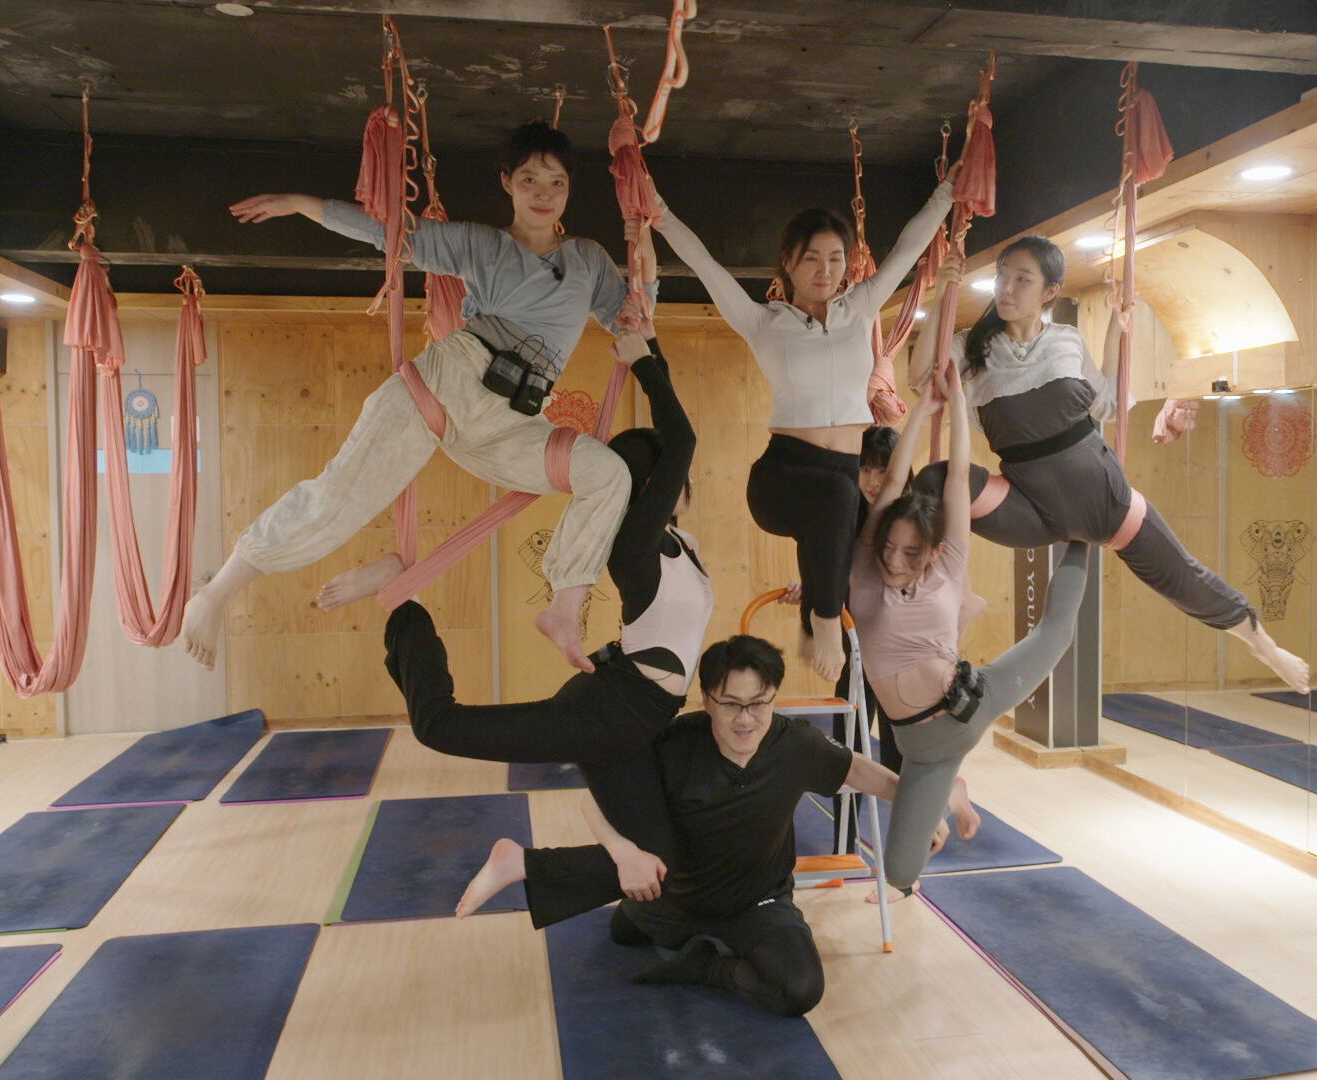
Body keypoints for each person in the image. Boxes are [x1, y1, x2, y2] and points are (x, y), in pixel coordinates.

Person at [179, 121, 642, 673]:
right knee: (336, 503)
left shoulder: (587, 259)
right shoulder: (482, 244)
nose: (543, 194)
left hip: (512, 421)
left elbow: (630, 317)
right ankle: (215, 593)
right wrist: (302, 203)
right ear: (508, 183)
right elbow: (391, 231)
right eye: (529, 179)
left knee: (609, 474)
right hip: (445, 386)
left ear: (569, 188)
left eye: (556, 182)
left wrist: (645, 258)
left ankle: (565, 608)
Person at [452, 634, 964, 1017]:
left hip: (756, 904)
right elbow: (598, 801)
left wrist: (921, 802)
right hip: (676, 897)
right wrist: (623, 853)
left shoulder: (794, 745)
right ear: (707, 700)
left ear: (773, 699)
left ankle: (699, 965)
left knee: (799, 991)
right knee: (621, 934)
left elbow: (854, 766)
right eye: (731, 704)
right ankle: (658, 927)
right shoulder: (673, 743)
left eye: (758, 704)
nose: (746, 719)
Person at [912, 238, 1310, 693]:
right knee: (934, 481)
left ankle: (1262, 643)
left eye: (1023, 278)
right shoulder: (972, 349)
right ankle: (959, 598)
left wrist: (1117, 331)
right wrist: (944, 295)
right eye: (1003, 275)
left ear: (1049, 292)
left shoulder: (1065, 341)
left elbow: (1107, 401)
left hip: (1105, 500)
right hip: (1028, 504)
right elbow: (919, 376)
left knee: (1180, 575)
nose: (1006, 287)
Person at [380, 321, 704, 867]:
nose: (685, 479)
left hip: (630, 714)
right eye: (672, 477)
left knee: (658, 857)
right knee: (439, 726)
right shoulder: (633, 546)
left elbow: (675, 447)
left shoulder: (681, 541)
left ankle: (542, 878)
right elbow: (682, 443)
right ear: (652, 489)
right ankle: (403, 610)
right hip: (612, 714)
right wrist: (645, 362)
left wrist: (652, 346)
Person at [654, 164, 960, 682]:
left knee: (863, 565)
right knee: (836, 506)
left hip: (844, 472)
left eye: (836, 258)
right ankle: (821, 622)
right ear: (788, 263)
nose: (825, 270)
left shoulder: (861, 306)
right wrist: (657, 214)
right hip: (783, 477)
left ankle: (866, 700)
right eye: (812, 259)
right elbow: (703, 263)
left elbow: (908, 247)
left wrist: (949, 192)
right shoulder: (762, 322)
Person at [850, 360, 1084, 897]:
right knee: (900, 874)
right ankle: (952, 791)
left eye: (911, 551)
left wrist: (956, 403)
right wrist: (921, 414)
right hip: (927, 747)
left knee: (1056, 632)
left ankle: (1085, 535)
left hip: (976, 699)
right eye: (888, 547)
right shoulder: (866, 579)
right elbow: (888, 489)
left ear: (932, 549)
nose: (895, 559)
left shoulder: (949, 562)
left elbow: (958, 476)